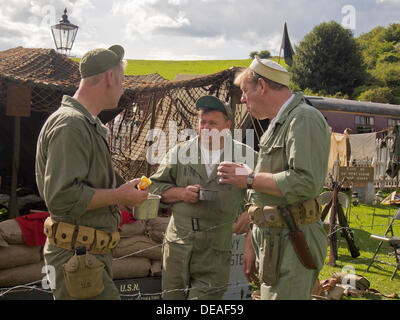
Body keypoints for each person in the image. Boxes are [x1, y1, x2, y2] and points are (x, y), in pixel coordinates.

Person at [35, 45, 148, 300]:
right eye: (123, 80)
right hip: (77, 259)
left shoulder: (85, 123)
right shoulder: (71, 124)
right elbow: (62, 198)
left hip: (86, 257)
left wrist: (124, 191)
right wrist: (119, 196)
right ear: (110, 77)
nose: (123, 88)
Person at [217, 56, 330, 300]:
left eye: (245, 91)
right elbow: (266, 194)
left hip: (292, 240)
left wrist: (249, 178)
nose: (243, 99)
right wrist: (251, 242)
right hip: (274, 239)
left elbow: (305, 183)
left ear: (263, 86)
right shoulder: (278, 124)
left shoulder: (303, 119)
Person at [149, 95, 256, 300]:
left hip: (215, 249)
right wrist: (181, 193)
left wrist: (250, 214)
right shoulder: (180, 152)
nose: (205, 128)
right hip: (178, 245)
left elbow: (263, 194)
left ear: (227, 126)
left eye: (212, 123)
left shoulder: (246, 156)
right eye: (202, 122)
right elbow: (154, 186)